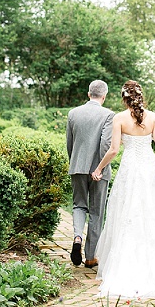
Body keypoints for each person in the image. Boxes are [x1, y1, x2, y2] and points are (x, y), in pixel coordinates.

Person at [90, 80, 155, 298]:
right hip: (149, 170)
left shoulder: (119, 118)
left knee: (127, 211)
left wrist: (99, 168)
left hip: (129, 170)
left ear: (124, 97)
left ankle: (125, 263)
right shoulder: (154, 117)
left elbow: (114, 150)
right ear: (140, 96)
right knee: (153, 211)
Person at [66, 80, 115, 268]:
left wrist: (76, 163)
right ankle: (90, 257)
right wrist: (99, 169)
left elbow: (70, 144)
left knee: (79, 205)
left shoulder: (73, 114)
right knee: (96, 212)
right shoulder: (108, 115)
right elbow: (105, 145)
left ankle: (77, 237)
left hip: (77, 166)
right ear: (104, 96)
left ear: (88, 94)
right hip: (98, 170)